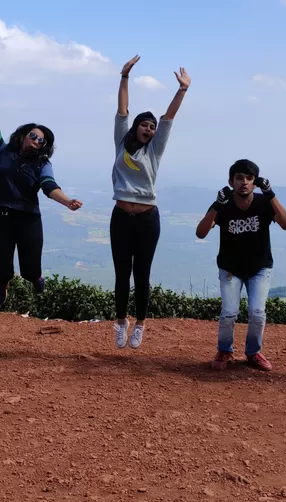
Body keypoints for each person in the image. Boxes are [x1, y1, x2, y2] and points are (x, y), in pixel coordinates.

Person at [0, 71, 83, 306]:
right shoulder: (0, 152)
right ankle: (2, 285)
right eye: (33, 136)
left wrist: (66, 201)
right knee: (1, 268)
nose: (36, 141)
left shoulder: (42, 164)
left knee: (30, 270)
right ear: (24, 136)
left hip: (28, 219)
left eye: (41, 140)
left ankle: (36, 279)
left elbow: (49, 186)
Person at [111, 55, 190, 349]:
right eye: (144, 125)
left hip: (147, 218)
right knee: (122, 274)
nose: (148, 129)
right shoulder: (122, 141)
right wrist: (124, 76)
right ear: (135, 127)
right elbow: (121, 110)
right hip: (120, 216)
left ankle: (140, 324)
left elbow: (169, 117)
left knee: (142, 274)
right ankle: (121, 322)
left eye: (151, 127)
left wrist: (182, 90)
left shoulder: (155, 150)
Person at [195, 160, 286, 371]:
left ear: (255, 182)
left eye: (249, 178)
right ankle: (224, 350)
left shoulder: (264, 203)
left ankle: (253, 352)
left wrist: (271, 194)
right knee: (229, 312)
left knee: (257, 312)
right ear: (231, 181)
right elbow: (201, 232)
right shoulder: (224, 204)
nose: (244, 183)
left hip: (260, 267)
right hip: (230, 267)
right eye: (239, 178)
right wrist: (217, 206)